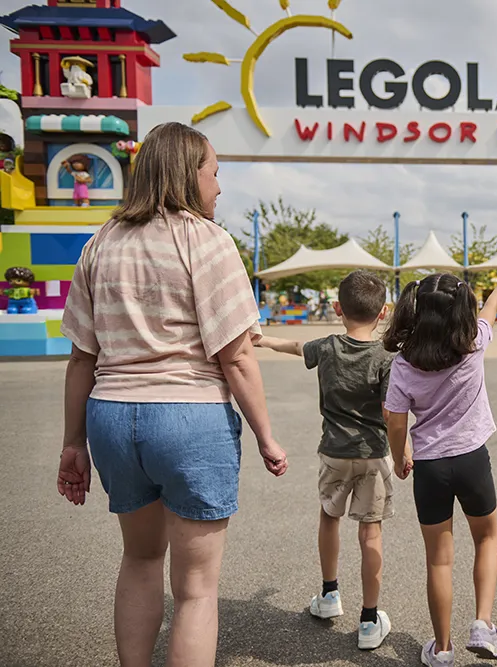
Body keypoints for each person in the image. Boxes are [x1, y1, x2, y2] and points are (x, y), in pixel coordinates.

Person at [57, 121, 289, 667]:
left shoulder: (101, 242)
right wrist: (266, 436)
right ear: (190, 174)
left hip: (111, 416)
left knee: (138, 560)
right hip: (191, 415)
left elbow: (81, 356)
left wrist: (73, 442)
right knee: (196, 589)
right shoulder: (208, 242)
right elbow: (235, 356)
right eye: (213, 172)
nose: (218, 186)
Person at [254, 270, 396, 650]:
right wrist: (404, 453)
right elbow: (390, 413)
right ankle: (369, 620)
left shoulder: (328, 347)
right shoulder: (386, 357)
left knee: (329, 518)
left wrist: (262, 339)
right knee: (371, 532)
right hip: (372, 455)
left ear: (337, 308)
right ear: (383, 313)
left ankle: (330, 595)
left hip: (334, 452)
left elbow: (296, 346)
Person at [382, 271, 497, 667]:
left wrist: (398, 457)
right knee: (487, 539)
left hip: (429, 468)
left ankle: (442, 649)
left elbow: (395, 420)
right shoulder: (473, 343)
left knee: (439, 560)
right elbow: (491, 310)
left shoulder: (404, 364)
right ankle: (482, 623)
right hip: (473, 460)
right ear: (462, 310)